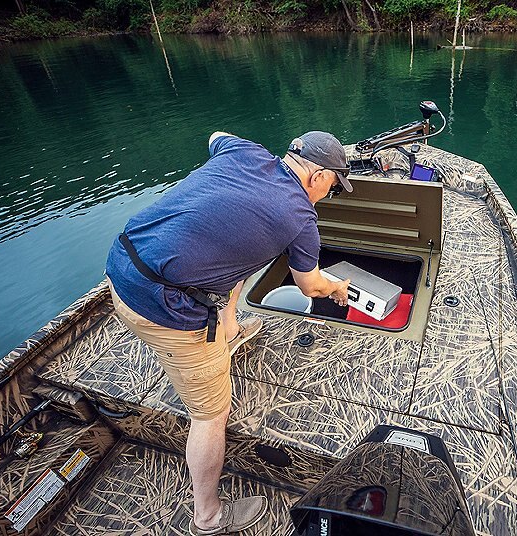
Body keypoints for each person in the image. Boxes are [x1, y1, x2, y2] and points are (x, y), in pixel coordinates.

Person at [104, 131, 352, 535]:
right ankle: (208, 517)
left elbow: (215, 135)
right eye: (332, 187)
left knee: (238, 259)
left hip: (121, 265)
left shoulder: (243, 150)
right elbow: (311, 287)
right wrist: (337, 287)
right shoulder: (301, 218)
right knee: (211, 414)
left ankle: (229, 331)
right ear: (317, 176)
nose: (328, 195)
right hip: (161, 308)